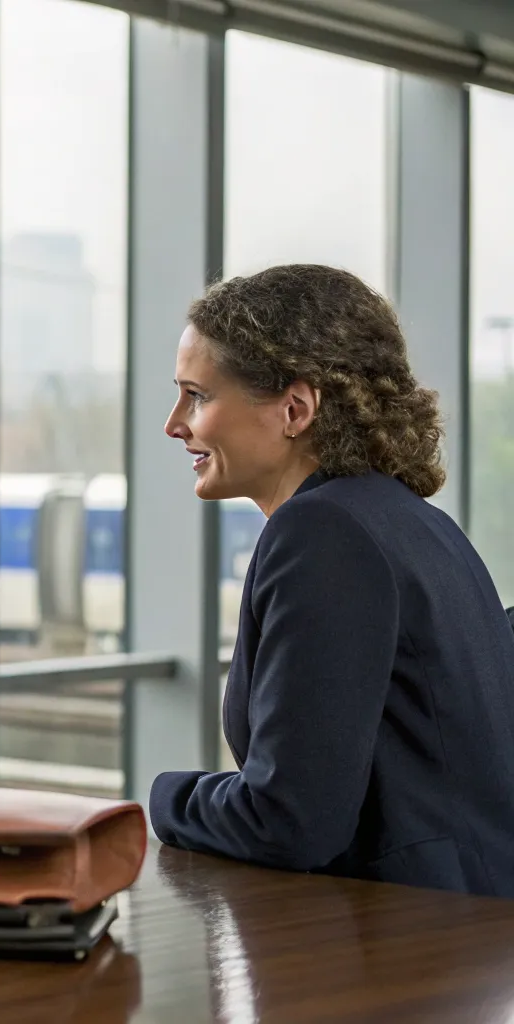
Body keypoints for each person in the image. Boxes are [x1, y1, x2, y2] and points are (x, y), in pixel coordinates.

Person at [152, 263, 514, 896]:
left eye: (198, 395)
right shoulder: (416, 523)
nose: (175, 423)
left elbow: (289, 821)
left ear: (295, 408)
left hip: (412, 955)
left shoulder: (321, 533)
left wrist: (166, 796)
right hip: (464, 946)